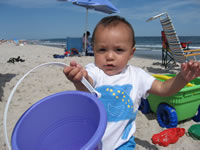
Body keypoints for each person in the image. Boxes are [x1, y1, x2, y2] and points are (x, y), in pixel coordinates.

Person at [63, 16, 200, 150]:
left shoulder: (137, 76)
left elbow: (164, 89)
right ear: (94, 50)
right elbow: (87, 85)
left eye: (119, 50)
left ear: (131, 53)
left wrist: (183, 78)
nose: (110, 56)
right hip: (93, 140)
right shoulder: (94, 71)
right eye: (102, 50)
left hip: (123, 143)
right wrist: (80, 78)